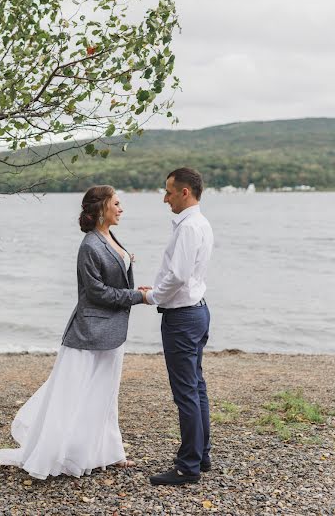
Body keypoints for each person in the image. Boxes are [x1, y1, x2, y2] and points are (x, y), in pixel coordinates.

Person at [0, 185, 145, 479]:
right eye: (116, 203)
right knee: (71, 394)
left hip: (113, 330)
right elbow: (96, 293)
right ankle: (55, 453)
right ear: (102, 208)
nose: (121, 208)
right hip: (88, 332)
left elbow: (116, 276)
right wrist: (137, 297)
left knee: (105, 393)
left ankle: (110, 452)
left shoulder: (109, 236)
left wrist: (132, 282)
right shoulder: (89, 245)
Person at [140, 167, 214, 486]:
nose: (164, 197)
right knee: (196, 387)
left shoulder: (188, 227)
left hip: (183, 317)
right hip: (197, 312)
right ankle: (201, 455)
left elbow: (179, 275)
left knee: (186, 392)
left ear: (185, 192)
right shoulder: (201, 222)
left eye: (169, 191)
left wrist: (152, 296)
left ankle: (188, 467)